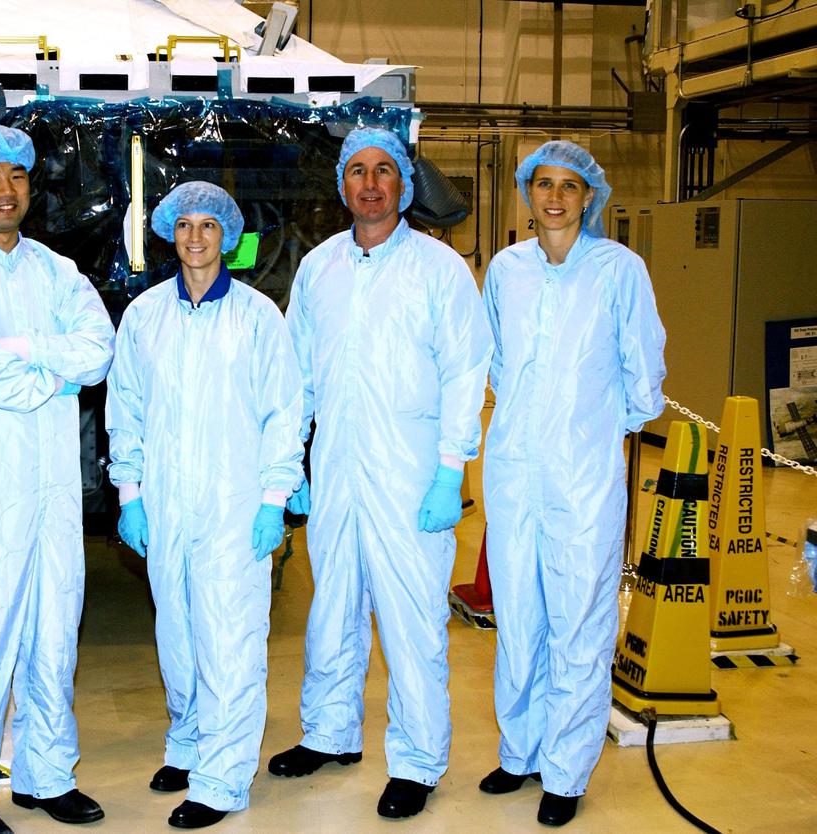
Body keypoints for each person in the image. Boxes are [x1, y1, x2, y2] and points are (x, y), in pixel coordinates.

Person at [269, 127, 493, 821]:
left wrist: (449, 472)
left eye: (384, 171)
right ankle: (329, 734)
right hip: (337, 470)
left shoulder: (439, 269)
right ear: (343, 185)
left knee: (412, 622)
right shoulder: (320, 268)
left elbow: (465, 375)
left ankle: (418, 761)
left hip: (410, 475)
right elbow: (297, 373)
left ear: (404, 184)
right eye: (358, 171)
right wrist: (293, 459)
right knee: (332, 608)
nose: (370, 184)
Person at [0, 122, 114, 834]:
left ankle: (46, 776)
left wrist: (20, 349)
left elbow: (97, 352)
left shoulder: (56, 271)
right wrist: (49, 374)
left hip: (54, 494)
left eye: (17, 175)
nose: (6, 190)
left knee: (53, 637)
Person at [106, 182, 304, 829]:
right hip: (166, 505)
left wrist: (273, 499)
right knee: (178, 634)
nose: (196, 237)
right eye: (185, 225)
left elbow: (283, 413)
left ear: (228, 235)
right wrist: (131, 495)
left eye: (208, 226)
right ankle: (188, 745)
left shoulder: (257, 317)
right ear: (171, 233)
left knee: (230, 640)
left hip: (234, 507)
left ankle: (222, 779)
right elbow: (126, 409)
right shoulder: (144, 316)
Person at [479, 140, 666, 827]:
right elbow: (496, 359)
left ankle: (565, 771)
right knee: (519, 616)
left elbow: (643, 369)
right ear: (527, 193)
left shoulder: (619, 270)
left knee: (579, 620)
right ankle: (520, 752)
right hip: (513, 469)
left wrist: (598, 426)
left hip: (584, 474)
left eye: (568, 186)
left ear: (590, 196)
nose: (554, 197)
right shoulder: (507, 270)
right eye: (543, 184)